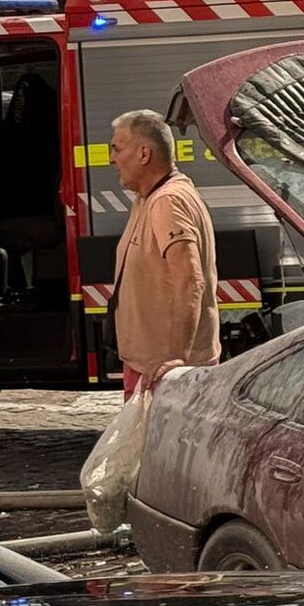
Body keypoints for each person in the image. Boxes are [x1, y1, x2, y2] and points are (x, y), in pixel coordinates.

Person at [108, 110, 218, 399]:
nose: (111, 159)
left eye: (117, 148)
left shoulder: (167, 201)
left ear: (144, 154)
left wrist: (176, 357)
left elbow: (191, 281)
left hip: (163, 376)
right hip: (152, 369)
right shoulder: (151, 196)